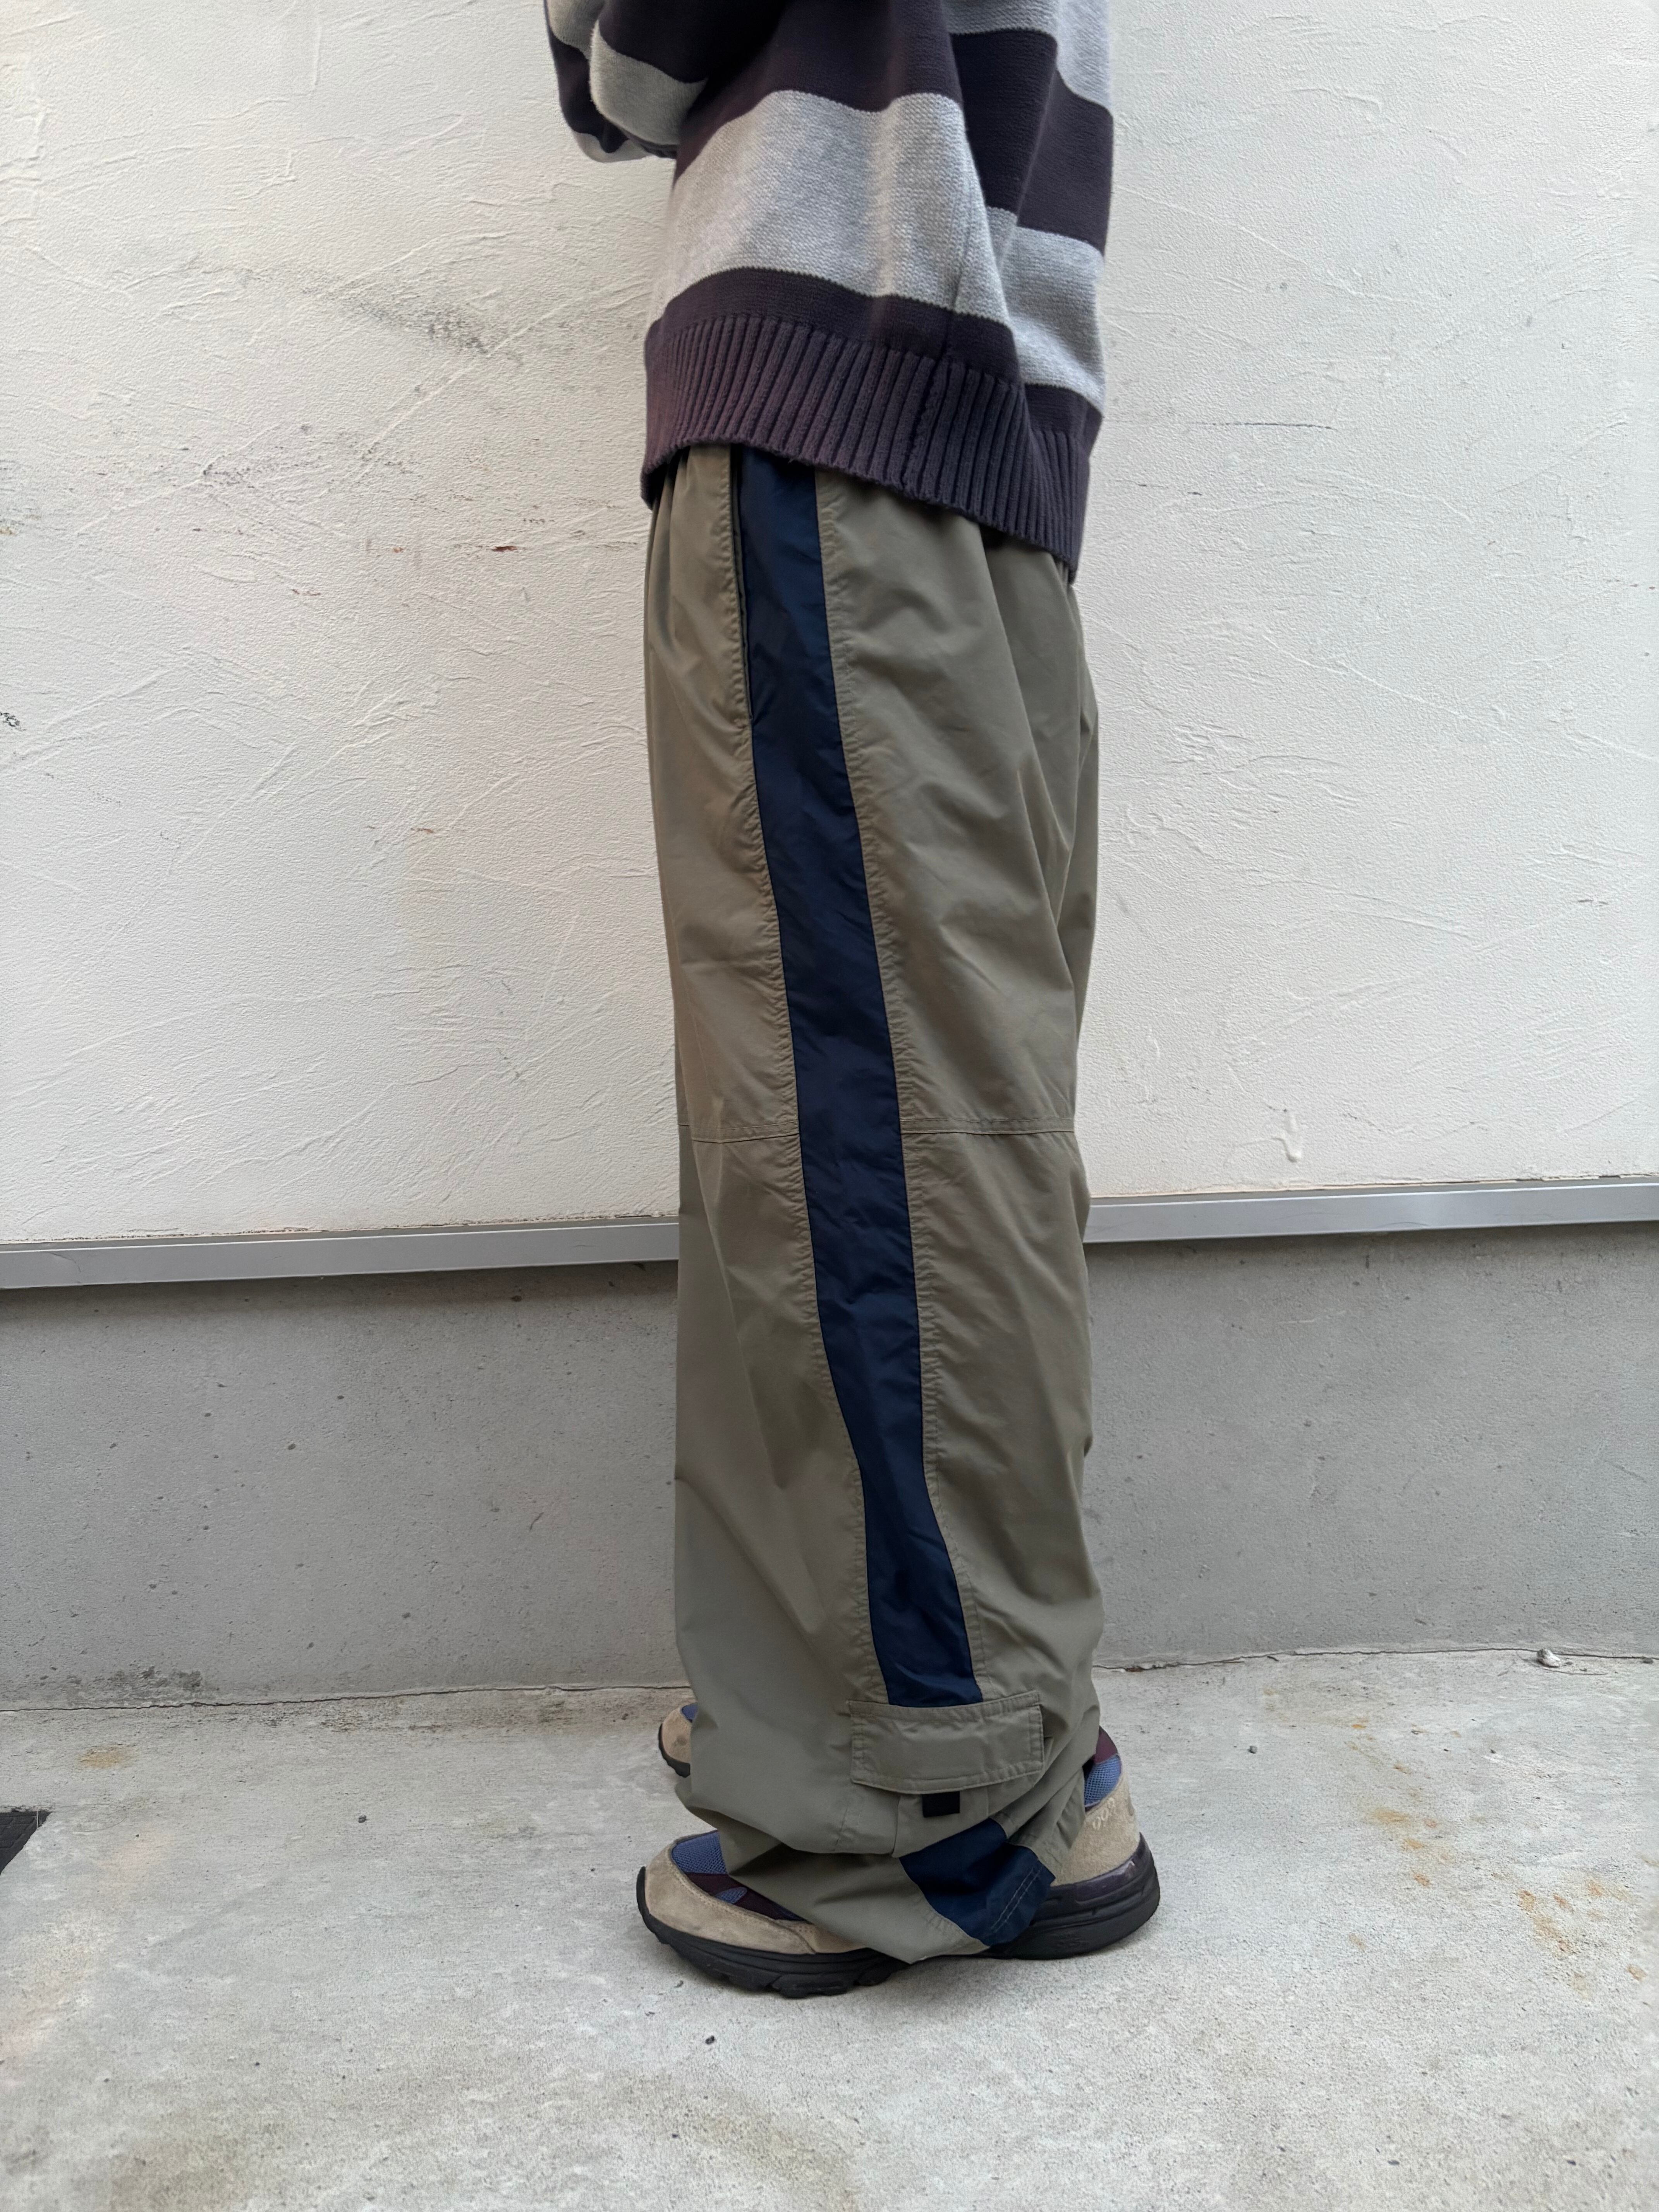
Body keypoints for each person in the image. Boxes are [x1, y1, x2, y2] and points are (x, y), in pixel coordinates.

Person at [546, 0, 1159, 1995]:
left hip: (846, 391)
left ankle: (931, 1803)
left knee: (860, 1145)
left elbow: (636, 62)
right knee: (923, 1120)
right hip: (979, 422)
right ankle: (925, 1717)